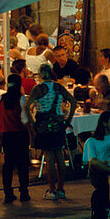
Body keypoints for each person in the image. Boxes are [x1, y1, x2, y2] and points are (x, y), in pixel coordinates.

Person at [26, 63, 75, 200]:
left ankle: (52, 190)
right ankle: (61, 188)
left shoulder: (38, 89)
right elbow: (73, 101)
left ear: (40, 75)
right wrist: (68, 119)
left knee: (49, 158)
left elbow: (26, 106)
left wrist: (33, 122)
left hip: (43, 125)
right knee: (59, 155)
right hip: (58, 124)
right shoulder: (58, 87)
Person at [0, 73, 30, 203]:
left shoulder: (1, 99)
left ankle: (8, 193)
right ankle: (24, 192)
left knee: (8, 164)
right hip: (20, 135)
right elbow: (24, 120)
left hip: (7, 135)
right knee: (22, 164)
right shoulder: (21, 99)